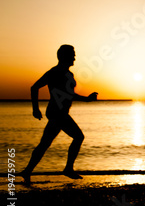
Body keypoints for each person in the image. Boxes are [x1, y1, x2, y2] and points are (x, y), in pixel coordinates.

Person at [20, 45, 98, 183]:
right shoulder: (55, 72)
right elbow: (35, 87)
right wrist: (35, 109)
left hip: (59, 112)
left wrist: (86, 99)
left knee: (45, 143)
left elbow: (69, 94)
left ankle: (27, 171)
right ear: (64, 56)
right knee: (78, 137)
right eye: (72, 54)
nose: (75, 57)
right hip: (57, 112)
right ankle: (68, 169)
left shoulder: (68, 74)